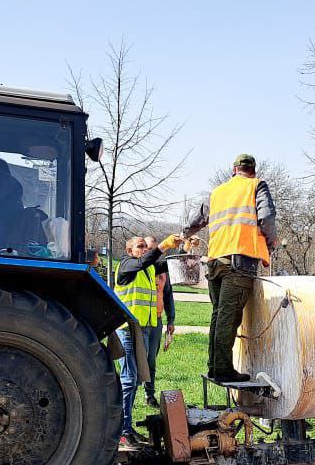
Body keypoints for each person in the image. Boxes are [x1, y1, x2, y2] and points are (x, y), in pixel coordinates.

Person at [182, 154, 277, 383]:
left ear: (234, 170)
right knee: (228, 317)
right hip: (239, 263)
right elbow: (266, 218)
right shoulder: (257, 186)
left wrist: (185, 234)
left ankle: (215, 366)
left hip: (215, 261)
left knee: (218, 316)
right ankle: (222, 369)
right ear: (252, 170)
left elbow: (197, 219)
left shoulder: (218, 192)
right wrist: (272, 241)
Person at [115, 234, 181, 445]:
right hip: (126, 330)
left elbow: (170, 265)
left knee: (134, 380)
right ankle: (121, 431)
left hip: (141, 330)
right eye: (139, 246)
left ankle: (127, 428)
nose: (143, 249)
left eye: (145, 247)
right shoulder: (126, 266)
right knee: (128, 380)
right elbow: (147, 259)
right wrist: (163, 245)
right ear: (129, 252)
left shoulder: (148, 268)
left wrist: (183, 246)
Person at [142, 236, 177, 409]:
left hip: (157, 320)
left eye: (156, 249)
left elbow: (168, 295)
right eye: (149, 249)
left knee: (151, 362)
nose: (153, 253)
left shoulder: (162, 271)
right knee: (137, 361)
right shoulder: (140, 268)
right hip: (140, 322)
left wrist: (171, 319)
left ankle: (149, 395)